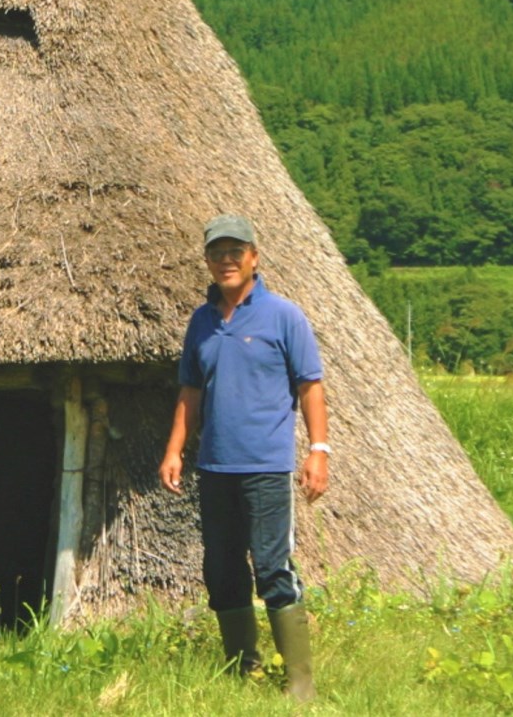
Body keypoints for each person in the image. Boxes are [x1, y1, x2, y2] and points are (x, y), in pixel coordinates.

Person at [160, 214, 329, 702]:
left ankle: (300, 685)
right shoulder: (202, 322)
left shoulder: (283, 316)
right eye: (217, 253)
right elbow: (190, 391)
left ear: (255, 257)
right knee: (221, 567)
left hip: (267, 466)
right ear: (208, 261)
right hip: (215, 466)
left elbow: (310, 387)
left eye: (236, 252)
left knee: (272, 567)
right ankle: (242, 670)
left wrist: (318, 450)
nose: (226, 260)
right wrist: (175, 450)